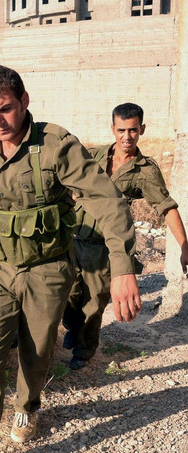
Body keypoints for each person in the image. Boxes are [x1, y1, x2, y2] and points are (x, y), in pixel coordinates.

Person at [0, 65, 142, 453]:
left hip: (48, 270)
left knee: (35, 355)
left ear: (24, 102)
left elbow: (108, 202)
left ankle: (27, 406)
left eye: (5, 109)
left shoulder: (56, 145)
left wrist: (122, 268)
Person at [63, 103, 188, 370]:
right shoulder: (94, 156)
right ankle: (73, 329)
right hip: (73, 238)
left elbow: (166, 208)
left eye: (133, 130)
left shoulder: (145, 170)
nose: (126, 137)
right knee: (68, 294)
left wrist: (184, 246)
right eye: (121, 130)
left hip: (105, 248)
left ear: (142, 129)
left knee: (94, 302)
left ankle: (84, 350)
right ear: (113, 129)